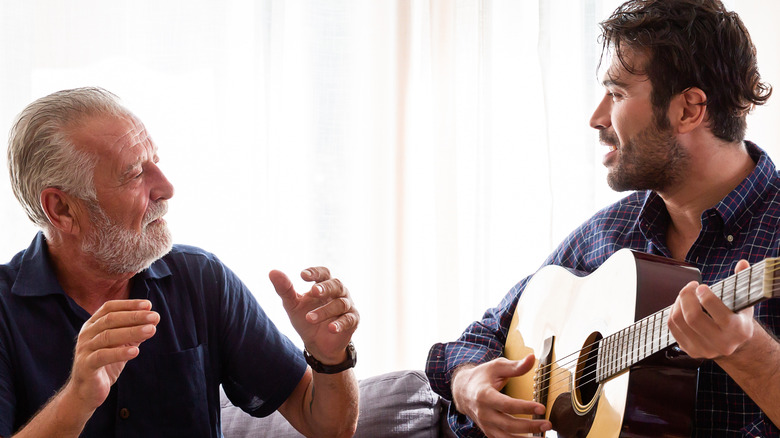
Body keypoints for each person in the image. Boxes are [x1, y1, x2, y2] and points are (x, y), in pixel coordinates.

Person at [425, 0, 780, 436]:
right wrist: (468, 384)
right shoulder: (608, 234)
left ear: (688, 109)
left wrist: (747, 352)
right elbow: (480, 337)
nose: (596, 119)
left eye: (616, 93)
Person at [0, 87, 360, 437]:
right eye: (135, 174)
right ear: (62, 209)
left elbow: (327, 426)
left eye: (154, 161)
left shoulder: (202, 279)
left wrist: (330, 357)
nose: (167, 187)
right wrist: (77, 399)